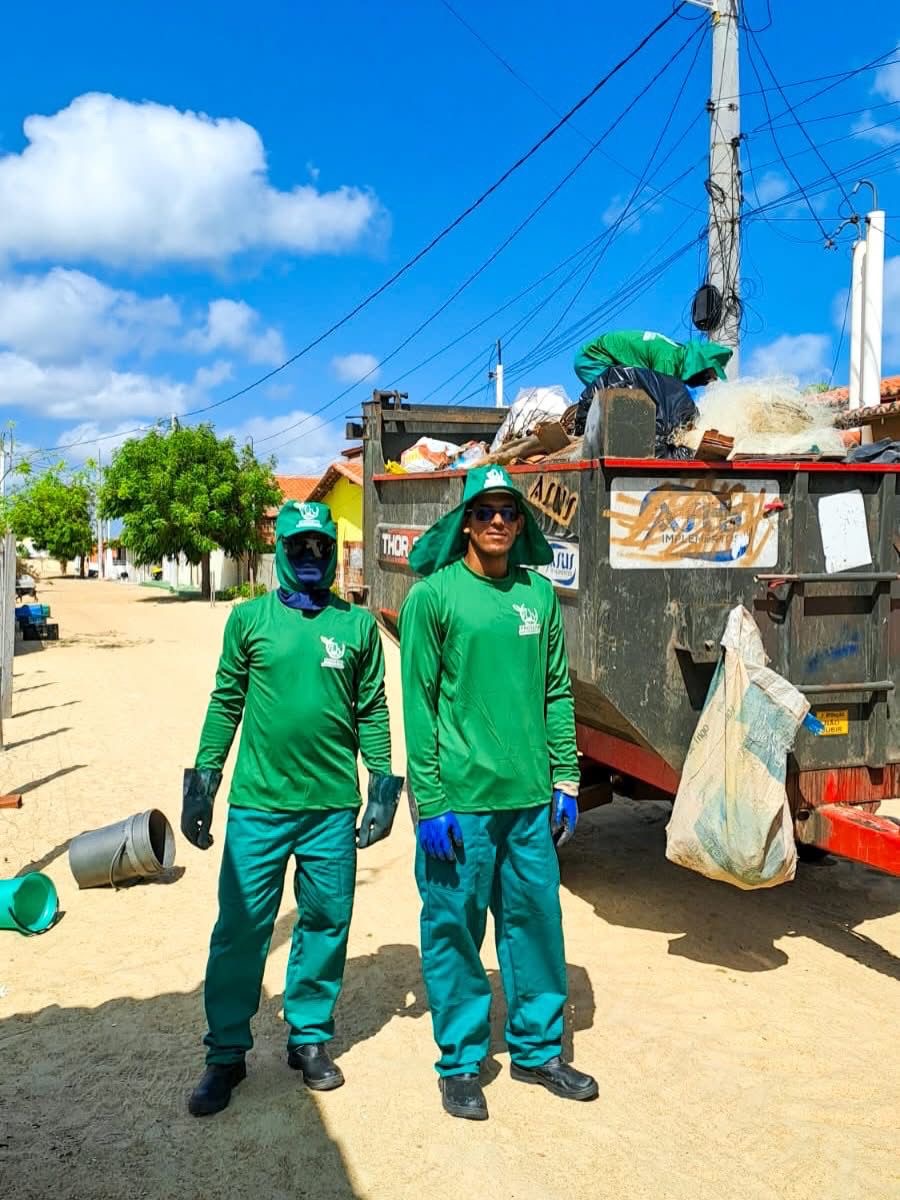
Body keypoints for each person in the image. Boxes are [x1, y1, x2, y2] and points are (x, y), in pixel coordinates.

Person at [182, 499, 403, 1117]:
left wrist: (384, 782)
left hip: (331, 806)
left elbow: (373, 711)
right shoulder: (249, 621)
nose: (310, 557)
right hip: (259, 805)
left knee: (326, 921)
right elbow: (226, 701)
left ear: (333, 552)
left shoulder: (356, 627)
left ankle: (307, 1036)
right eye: (298, 547)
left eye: (320, 547)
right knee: (240, 930)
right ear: (280, 550)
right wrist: (204, 781)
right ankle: (225, 1052)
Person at [399, 464, 598, 1121]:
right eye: (484, 513)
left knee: (536, 925)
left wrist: (566, 776)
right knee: (455, 931)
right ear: (465, 521)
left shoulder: (538, 596)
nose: (497, 524)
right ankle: (459, 1063)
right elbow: (420, 707)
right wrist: (428, 800)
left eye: (509, 513)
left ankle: (539, 1052)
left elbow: (556, 691)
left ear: (523, 522)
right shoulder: (434, 597)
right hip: (460, 803)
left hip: (529, 801)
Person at [573, 328, 732, 389]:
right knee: (621, 403)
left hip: (607, 360)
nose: (708, 382)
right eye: (710, 376)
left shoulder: (678, 358)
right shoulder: (667, 361)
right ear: (699, 366)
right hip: (593, 359)